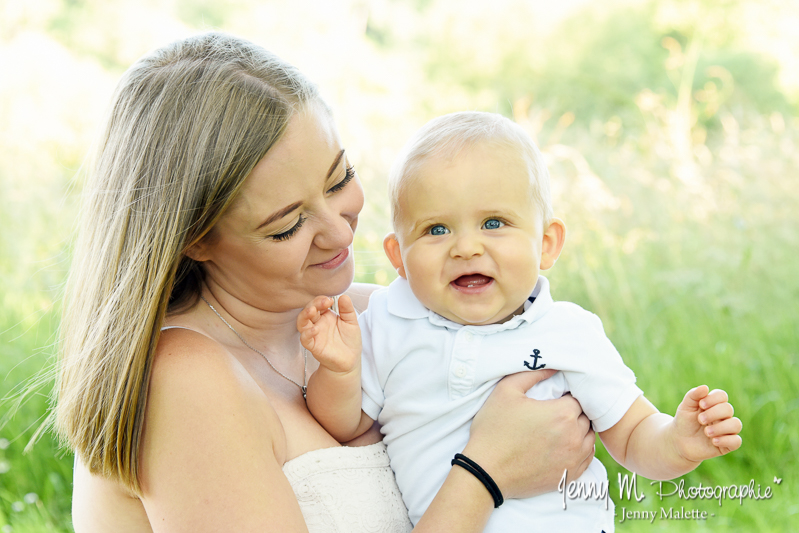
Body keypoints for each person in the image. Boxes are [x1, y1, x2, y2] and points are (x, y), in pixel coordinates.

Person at [56, 34, 599, 533]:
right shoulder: (183, 382)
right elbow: (490, 462)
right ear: (195, 239)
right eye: (287, 224)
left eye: (340, 178)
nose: (340, 229)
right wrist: (485, 474)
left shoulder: (375, 313)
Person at [299, 111, 744, 532]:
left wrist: (678, 442)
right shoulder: (389, 324)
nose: (466, 248)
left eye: (494, 223)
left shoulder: (568, 332)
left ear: (547, 244)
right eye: (437, 230)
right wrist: (339, 369)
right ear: (398, 257)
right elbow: (346, 424)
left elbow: (631, 436)